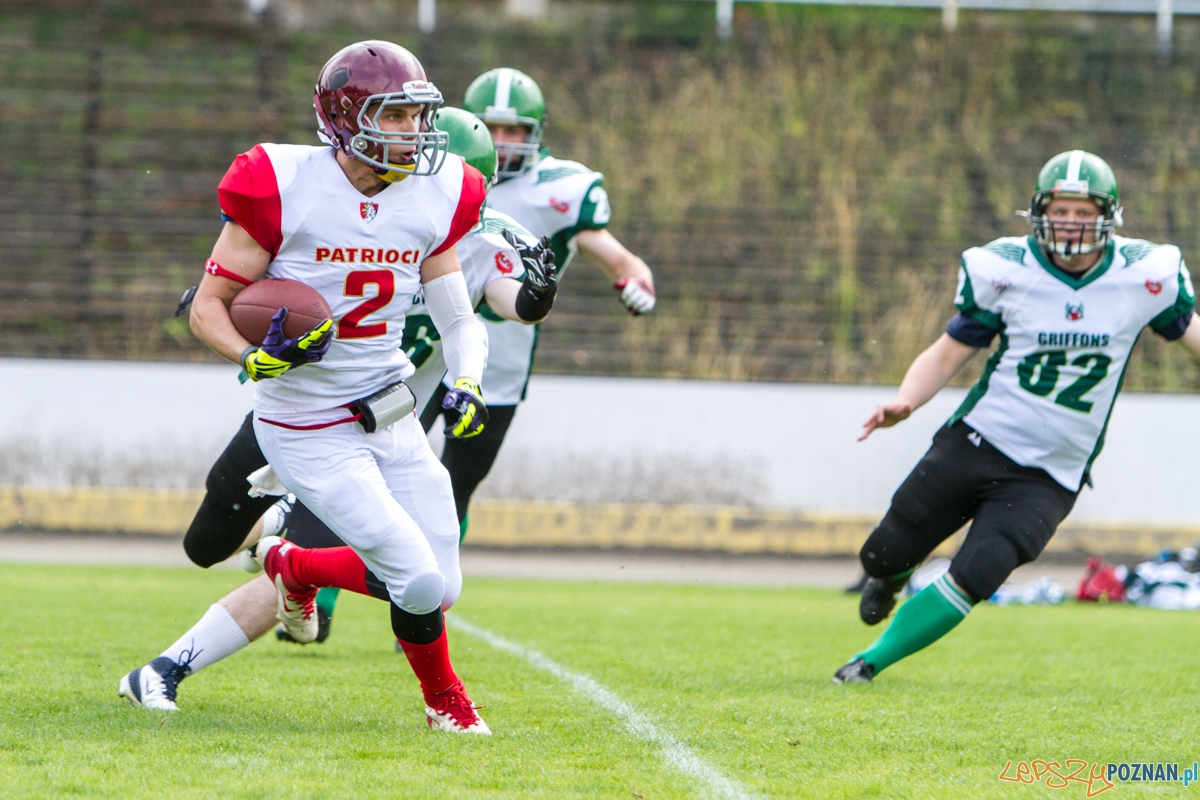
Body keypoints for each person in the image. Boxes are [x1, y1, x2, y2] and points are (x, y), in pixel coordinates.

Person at [121, 41, 497, 734]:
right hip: (306, 423)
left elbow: (456, 318)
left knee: (440, 588)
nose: (416, 131)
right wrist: (251, 358)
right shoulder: (282, 182)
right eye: (397, 115)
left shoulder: (439, 190)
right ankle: (446, 702)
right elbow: (208, 308)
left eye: (419, 115)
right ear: (348, 118)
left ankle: (296, 566)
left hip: (390, 413)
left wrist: (468, 380)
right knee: (412, 577)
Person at [834, 150, 1200, 684]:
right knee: (883, 552)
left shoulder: (1144, 276)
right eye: (1060, 210)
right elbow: (948, 351)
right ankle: (890, 577)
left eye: (1083, 212)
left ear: (1109, 216)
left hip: (1052, 472)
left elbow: (1191, 332)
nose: (1070, 223)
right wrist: (907, 400)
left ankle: (867, 664)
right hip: (979, 439)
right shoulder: (1006, 269)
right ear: (1039, 212)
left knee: (979, 572)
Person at [417, 68, 658, 537]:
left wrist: (638, 283)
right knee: (378, 476)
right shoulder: (431, 174)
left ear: (536, 133)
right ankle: (322, 578)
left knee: (452, 497)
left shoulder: (559, 189)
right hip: (423, 354)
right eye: (493, 128)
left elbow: (622, 261)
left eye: (515, 130)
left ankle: (434, 580)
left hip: (497, 367)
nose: (502, 141)